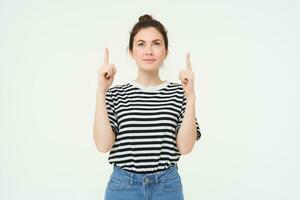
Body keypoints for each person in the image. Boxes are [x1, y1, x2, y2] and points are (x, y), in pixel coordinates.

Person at [93, 14, 202, 200]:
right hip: (123, 188)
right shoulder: (116, 94)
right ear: (131, 51)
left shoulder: (179, 93)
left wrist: (191, 96)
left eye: (156, 44)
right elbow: (103, 146)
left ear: (166, 51)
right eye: (141, 44)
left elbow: (185, 148)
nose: (149, 51)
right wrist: (101, 91)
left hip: (166, 188)